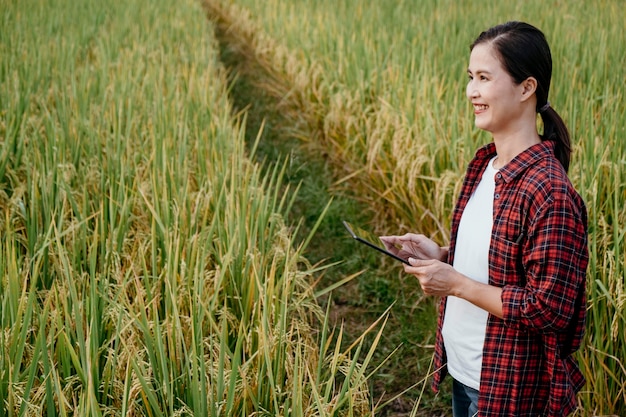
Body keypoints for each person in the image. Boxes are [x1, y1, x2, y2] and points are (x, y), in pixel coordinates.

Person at [380, 21, 588, 417]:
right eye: (470, 77)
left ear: (527, 88)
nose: (471, 91)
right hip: (466, 371)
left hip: (505, 390)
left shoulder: (550, 192)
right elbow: (497, 264)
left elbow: (547, 308)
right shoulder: (485, 165)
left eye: (484, 78)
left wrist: (455, 284)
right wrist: (442, 255)